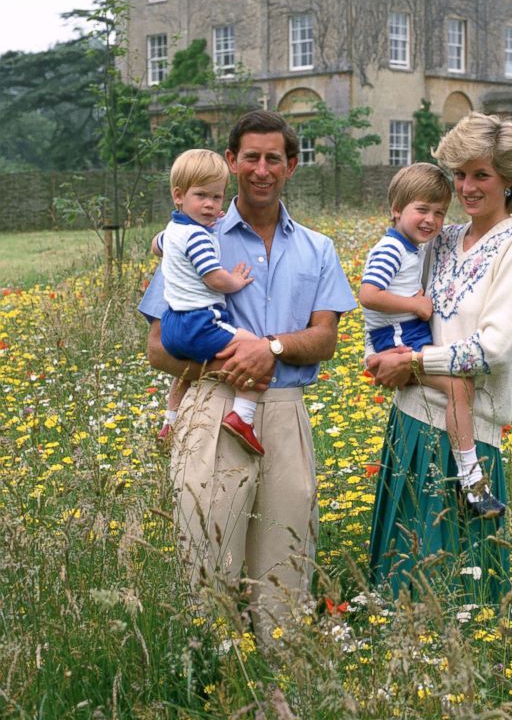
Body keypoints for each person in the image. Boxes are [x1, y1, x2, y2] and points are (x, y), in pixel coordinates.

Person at [138, 111, 356, 645]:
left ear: (292, 166)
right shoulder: (192, 235)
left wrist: (272, 348)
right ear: (232, 162)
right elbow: (157, 348)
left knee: (286, 565)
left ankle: (286, 698)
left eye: (274, 159)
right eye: (251, 158)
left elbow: (325, 338)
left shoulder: (317, 248)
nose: (262, 170)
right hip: (212, 406)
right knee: (207, 563)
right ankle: (214, 692)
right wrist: (230, 364)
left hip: (284, 414)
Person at [367, 112, 512, 606]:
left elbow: (493, 349)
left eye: (481, 175)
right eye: (460, 175)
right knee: (402, 586)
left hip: (470, 433)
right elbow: (392, 293)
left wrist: (412, 363)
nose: (467, 187)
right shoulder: (441, 239)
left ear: (509, 180)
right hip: (410, 420)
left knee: (462, 597)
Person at [359, 164, 503, 518]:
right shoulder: (391, 249)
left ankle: (469, 476)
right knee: (458, 388)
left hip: (407, 335)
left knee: (459, 389)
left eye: (439, 212)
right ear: (396, 209)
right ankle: (471, 481)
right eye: (422, 210)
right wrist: (416, 304)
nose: (431, 220)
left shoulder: (412, 248)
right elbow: (368, 294)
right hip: (399, 338)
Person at [153, 148, 264, 456]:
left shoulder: (173, 230)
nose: (210, 205)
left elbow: (156, 245)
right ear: (178, 195)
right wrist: (236, 281)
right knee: (256, 350)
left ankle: (170, 420)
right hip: (201, 321)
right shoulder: (198, 238)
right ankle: (243, 416)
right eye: (201, 196)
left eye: (217, 198)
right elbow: (213, 278)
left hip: (173, 325)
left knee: (183, 374)